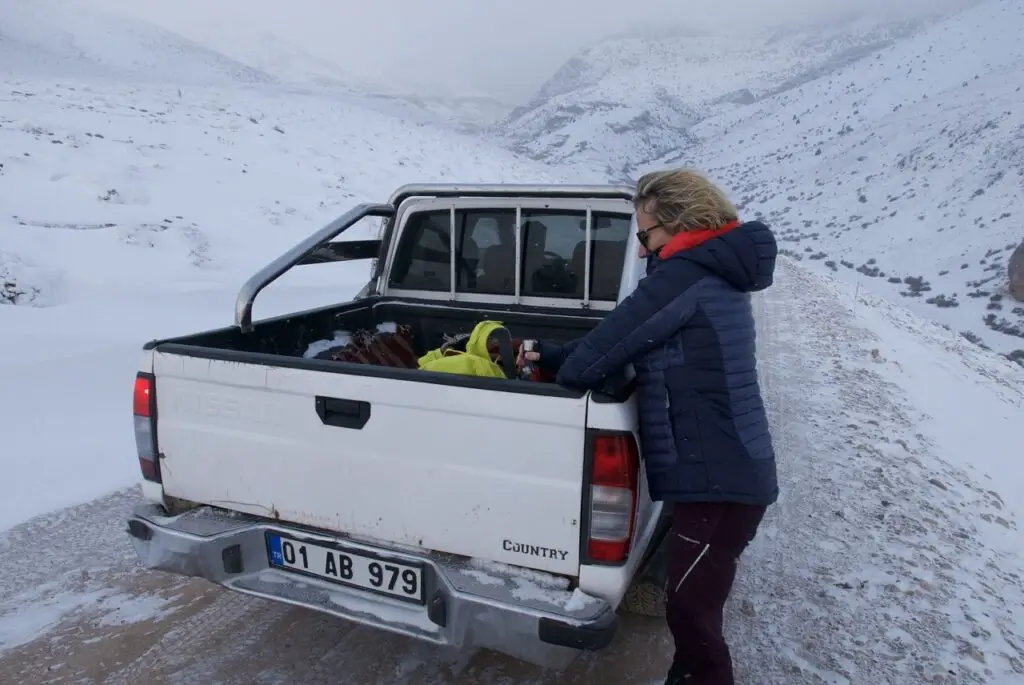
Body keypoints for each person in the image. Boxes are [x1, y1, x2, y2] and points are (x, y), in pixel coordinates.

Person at [519, 168, 779, 685]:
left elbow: (603, 350)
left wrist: (549, 361)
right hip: (727, 473)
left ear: (680, 223)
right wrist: (554, 354)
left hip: (720, 481)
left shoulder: (685, 277)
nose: (640, 251)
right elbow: (627, 340)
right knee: (693, 608)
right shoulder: (711, 271)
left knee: (692, 614)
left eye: (645, 235)